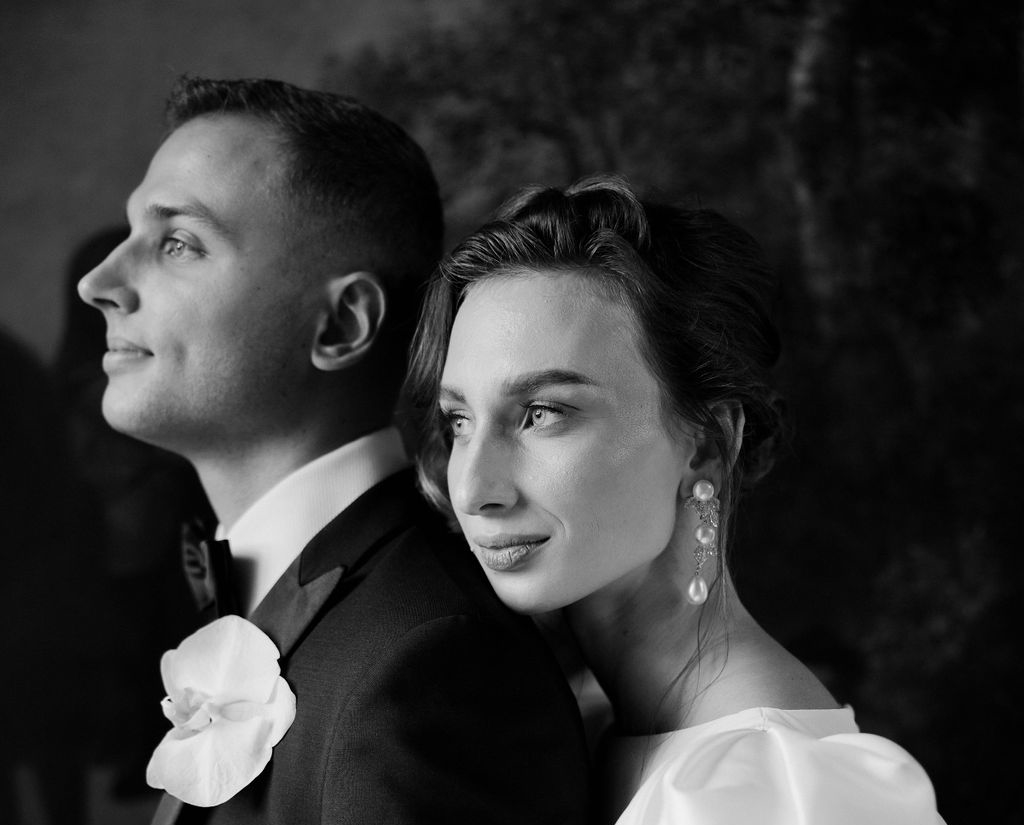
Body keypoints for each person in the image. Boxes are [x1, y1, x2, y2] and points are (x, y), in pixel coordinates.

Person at [77, 75, 590, 825]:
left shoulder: (432, 660)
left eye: (178, 241)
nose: (99, 283)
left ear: (342, 325)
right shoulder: (327, 610)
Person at [407, 176, 945, 824]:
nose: (473, 489)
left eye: (542, 412)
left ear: (707, 446)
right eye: (459, 420)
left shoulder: (778, 792)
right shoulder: (576, 736)